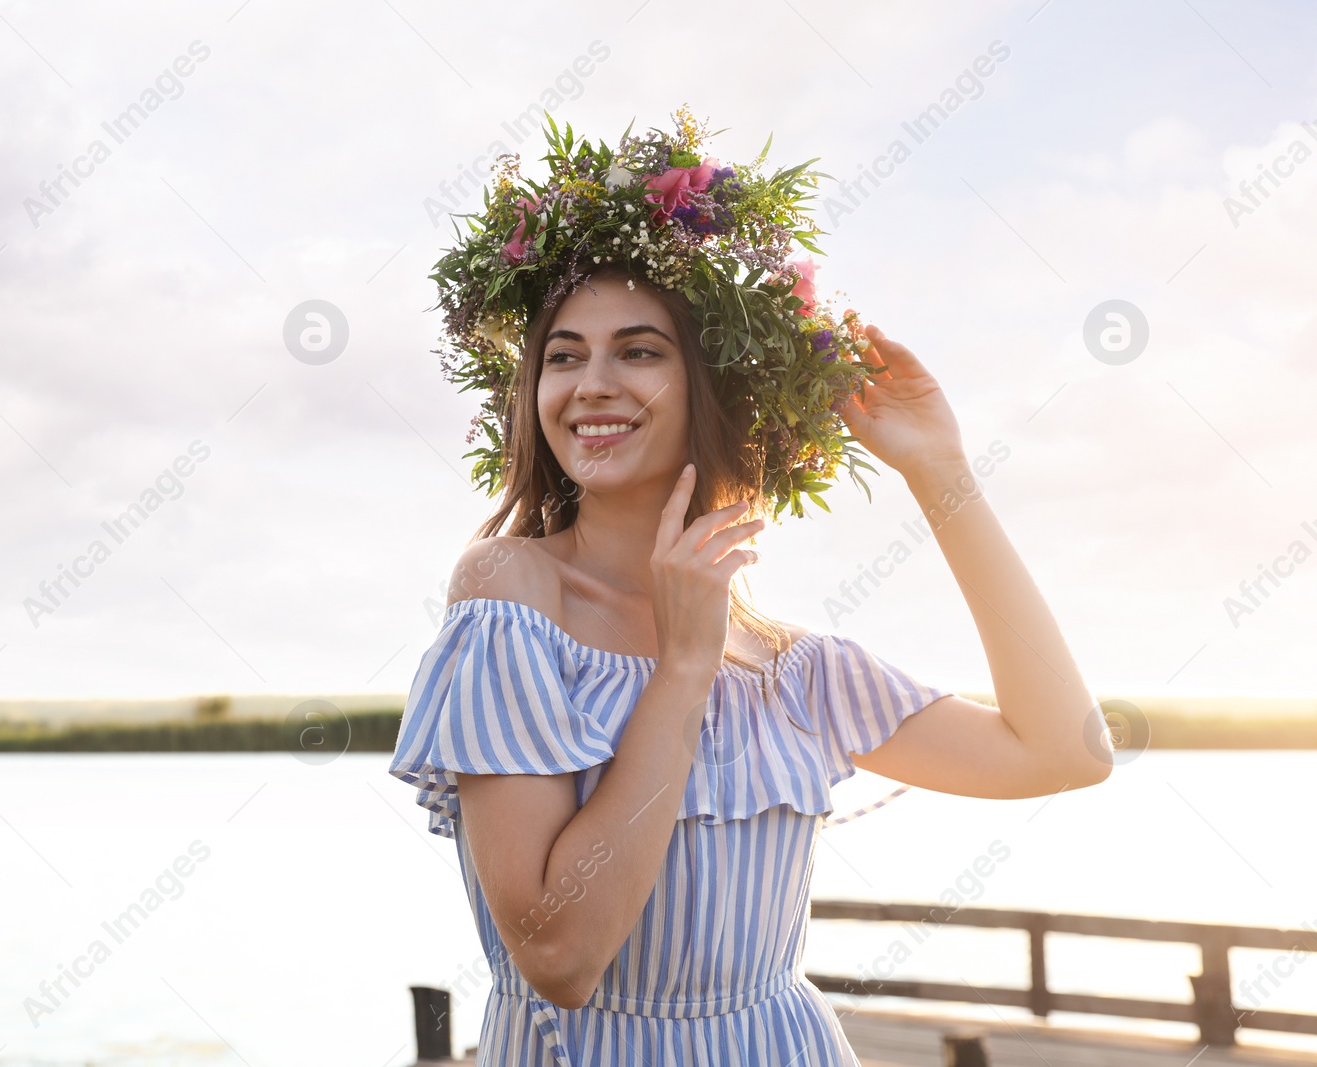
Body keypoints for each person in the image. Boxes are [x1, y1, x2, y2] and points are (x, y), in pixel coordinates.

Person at [390, 110, 1112, 1066]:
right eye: (563, 356)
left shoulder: (792, 669)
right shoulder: (510, 594)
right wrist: (683, 667)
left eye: (639, 350)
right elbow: (561, 953)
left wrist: (941, 474)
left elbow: (1063, 751)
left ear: (715, 388)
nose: (590, 383)